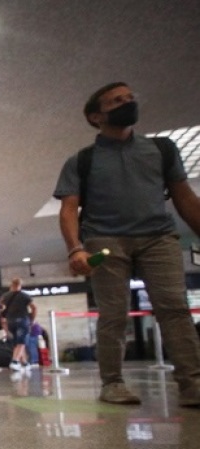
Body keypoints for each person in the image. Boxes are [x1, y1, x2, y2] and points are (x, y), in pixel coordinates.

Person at [55, 81, 200, 406]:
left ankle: (192, 383)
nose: (126, 103)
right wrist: (75, 247)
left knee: (174, 309)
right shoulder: (82, 160)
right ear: (96, 116)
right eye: (115, 101)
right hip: (104, 239)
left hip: (158, 237)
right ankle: (112, 383)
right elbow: (68, 208)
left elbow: (184, 197)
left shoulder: (161, 149)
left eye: (129, 98)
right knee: (113, 314)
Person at [0, 278, 36, 371]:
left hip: (10, 321)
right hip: (22, 320)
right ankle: (15, 361)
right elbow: (34, 308)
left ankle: (24, 362)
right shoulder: (25, 296)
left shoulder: (5, 296)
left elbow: (1, 307)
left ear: (11, 284)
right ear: (20, 285)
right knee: (22, 342)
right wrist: (32, 319)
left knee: (17, 343)